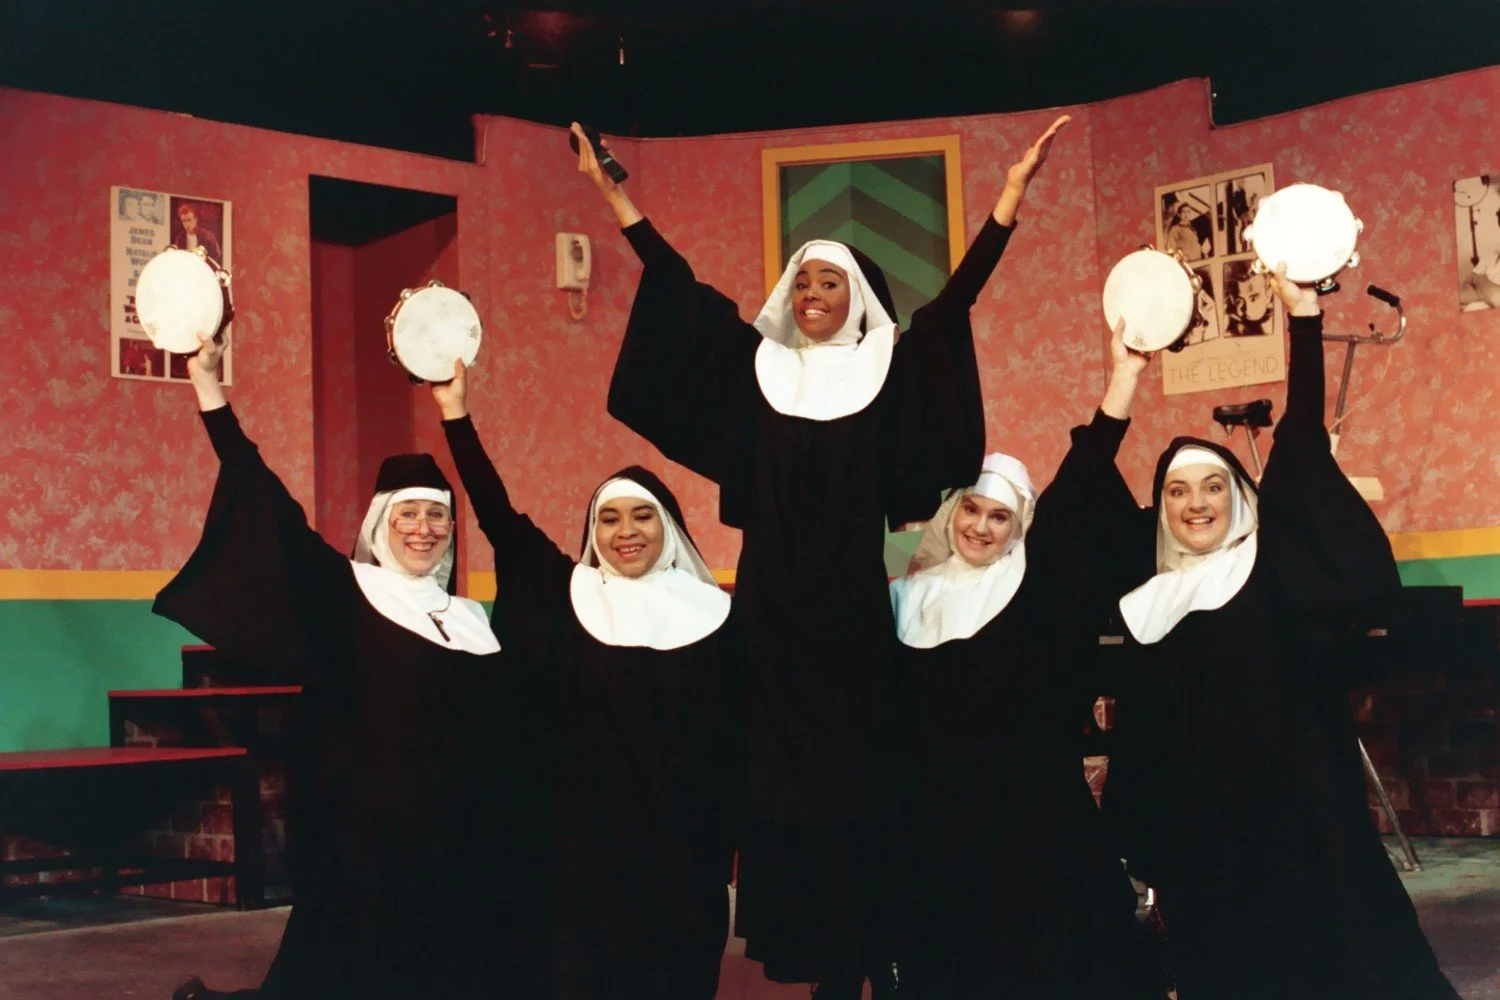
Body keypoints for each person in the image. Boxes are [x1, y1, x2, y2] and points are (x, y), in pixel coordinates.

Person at [578, 115, 1070, 995]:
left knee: (861, 790)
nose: (812, 290)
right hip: (768, 617)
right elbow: (677, 287)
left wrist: (1005, 203)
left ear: (856, 299)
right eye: (801, 277)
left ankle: (872, 952)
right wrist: (614, 196)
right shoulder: (750, 373)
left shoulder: (888, 374)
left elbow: (953, 307)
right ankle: (819, 965)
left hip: (847, 617)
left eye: (829, 281)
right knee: (784, 799)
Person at [1099, 266, 1460, 999]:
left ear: (1239, 500)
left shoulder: (1274, 569)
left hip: (1303, 828)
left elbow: (1299, 440)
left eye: (1212, 488)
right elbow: (1145, 739)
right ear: (1159, 510)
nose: (1195, 504)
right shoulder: (1148, 605)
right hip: (1207, 846)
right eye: (1176, 491)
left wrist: (1302, 318)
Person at [159, 333, 550, 999]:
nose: (424, 528)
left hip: (460, 843)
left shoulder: (470, 617)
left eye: (438, 516)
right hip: (370, 844)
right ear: (380, 524)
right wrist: (209, 390)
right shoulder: (349, 592)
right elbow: (267, 503)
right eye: (409, 515)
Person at [434, 359, 737, 999]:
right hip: (585, 842)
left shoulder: (717, 615)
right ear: (593, 532)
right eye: (610, 519)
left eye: (642, 517)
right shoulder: (569, 593)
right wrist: (455, 414)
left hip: (686, 842)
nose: (626, 532)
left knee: (681, 971)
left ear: (670, 528)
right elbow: (500, 517)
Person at [885, 321, 1162, 999]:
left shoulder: (1039, 583)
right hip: (940, 826)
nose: (981, 526)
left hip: (1035, 820)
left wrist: (1123, 381)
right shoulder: (907, 597)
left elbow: (1086, 474)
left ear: (1019, 526)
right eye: (971, 511)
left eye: (998, 517)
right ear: (950, 515)